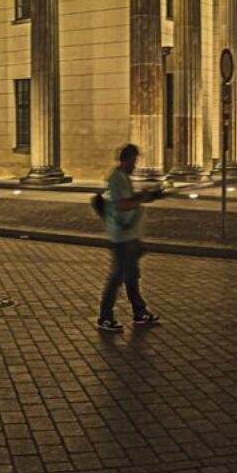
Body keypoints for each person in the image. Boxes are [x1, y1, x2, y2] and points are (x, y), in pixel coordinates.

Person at [96, 142, 159, 332]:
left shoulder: (124, 178)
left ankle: (139, 312)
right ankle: (105, 317)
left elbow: (129, 200)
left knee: (132, 276)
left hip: (129, 235)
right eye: (134, 160)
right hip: (121, 237)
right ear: (126, 160)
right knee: (117, 278)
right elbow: (122, 205)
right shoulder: (117, 179)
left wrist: (146, 196)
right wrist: (143, 197)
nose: (135, 165)